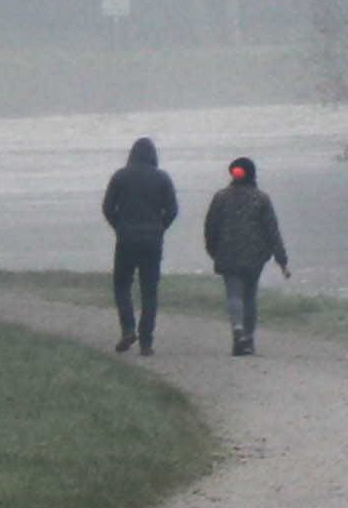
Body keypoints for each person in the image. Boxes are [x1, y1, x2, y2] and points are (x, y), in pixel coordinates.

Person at [101, 134, 181, 354]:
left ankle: (128, 329)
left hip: (126, 239)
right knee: (149, 291)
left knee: (122, 286)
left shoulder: (120, 177)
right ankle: (146, 342)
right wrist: (160, 227)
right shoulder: (162, 178)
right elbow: (173, 210)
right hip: (152, 241)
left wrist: (118, 226)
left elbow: (107, 207)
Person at [200, 158, 286, 355]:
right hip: (255, 257)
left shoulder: (220, 198)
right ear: (253, 174)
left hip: (227, 253)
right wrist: (282, 260)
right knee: (250, 297)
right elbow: (272, 231)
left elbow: (210, 227)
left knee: (234, 294)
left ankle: (237, 330)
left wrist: (213, 250)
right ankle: (248, 338)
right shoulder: (261, 199)